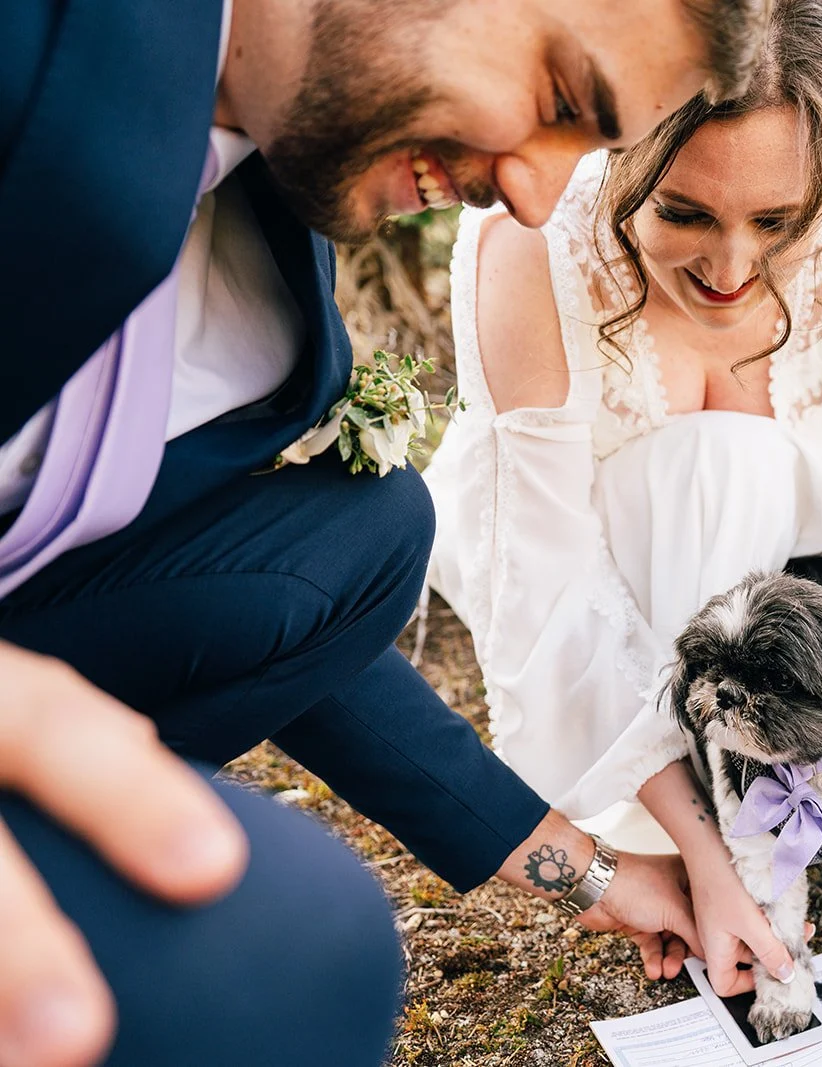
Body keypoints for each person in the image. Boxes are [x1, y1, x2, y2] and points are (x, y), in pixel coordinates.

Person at [0, 1, 777, 1065]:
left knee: (367, 533)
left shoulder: (272, 233)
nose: (533, 195)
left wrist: (593, 871)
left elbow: (271, 595)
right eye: (557, 99)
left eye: (587, 152)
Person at [425, 0, 822, 1001]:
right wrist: (706, 857)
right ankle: (712, 814)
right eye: (682, 212)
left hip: (782, 558)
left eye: (777, 222)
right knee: (714, 461)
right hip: (597, 565)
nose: (732, 270)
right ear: (619, 155)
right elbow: (549, 599)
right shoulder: (529, 243)